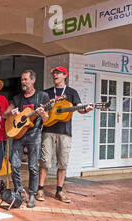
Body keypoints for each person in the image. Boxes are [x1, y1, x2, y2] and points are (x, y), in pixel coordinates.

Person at [37, 66, 93, 203]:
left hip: (65, 132)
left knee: (63, 163)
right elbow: (41, 109)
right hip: (48, 130)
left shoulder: (72, 92)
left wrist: (86, 109)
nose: (55, 75)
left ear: (64, 75)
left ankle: (59, 191)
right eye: (54, 73)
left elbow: (79, 108)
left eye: (58, 73)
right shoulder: (47, 93)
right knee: (44, 161)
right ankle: (40, 189)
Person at [3, 70, 50, 208]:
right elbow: (5, 114)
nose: (23, 82)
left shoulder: (42, 97)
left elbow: (46, 119)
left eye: (25, 79)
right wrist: (12, 114)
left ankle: (32, 195)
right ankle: (19, 191)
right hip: (18, 134)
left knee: (33, 167)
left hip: (34, 134)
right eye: (22, 80)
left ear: (33, 80)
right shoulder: (18, 98)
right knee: (15, 165)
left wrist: (43, 114)